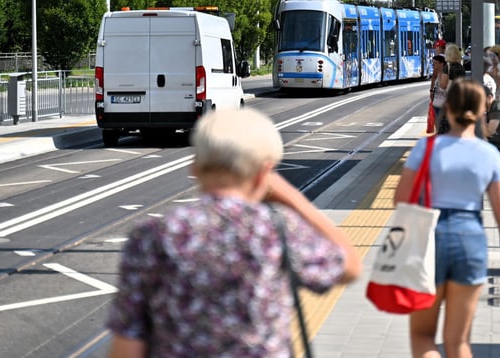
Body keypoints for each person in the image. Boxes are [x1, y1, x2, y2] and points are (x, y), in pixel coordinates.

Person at [106, 107, 362, 357]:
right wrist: (288, 195)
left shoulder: (151, 237)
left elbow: (127, 347)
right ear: (265, 174)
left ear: (194, 168)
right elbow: (349, 266)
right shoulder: (276, 230)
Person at [394, 80, 500, 358]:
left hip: (429, 240)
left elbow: (400, 199)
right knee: (459, 342)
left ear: (447, 108)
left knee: (423, 336)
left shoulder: (426, 148)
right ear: (483, 109)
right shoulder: (491, 155)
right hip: (470, 241)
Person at [436, 43, 466, 134]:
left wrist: (440, 76)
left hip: (448, 99)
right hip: (458, 99)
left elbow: (443, 85)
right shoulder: (461, 68)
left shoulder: (447, 67)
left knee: (444, 121)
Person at [429, 54, 447, 121]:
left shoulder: (446, 74)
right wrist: (431, 91)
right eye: (433, 63)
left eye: (435, 63)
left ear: (441, 64)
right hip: (436, 104)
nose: (433, 65)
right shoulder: (437, 73)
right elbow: (433, 80)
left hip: (443, 105)